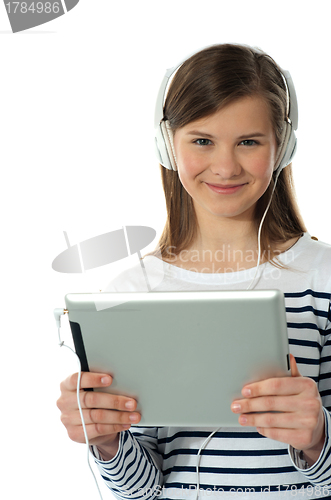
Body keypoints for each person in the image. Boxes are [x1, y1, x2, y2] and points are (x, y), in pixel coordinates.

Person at [57, 44, 331, 499]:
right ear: (168, 145)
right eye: (202, 141)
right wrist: (106, 441)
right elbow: (140, 490)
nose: (225, 166)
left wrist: (317, 438)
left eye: (249, 141)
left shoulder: (323, 280)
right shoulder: (131, 292)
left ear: (282, 147)